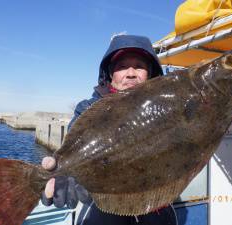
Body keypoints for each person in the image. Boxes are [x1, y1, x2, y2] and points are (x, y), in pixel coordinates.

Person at [41, 34, 178, 225]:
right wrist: (60, 175)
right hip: (101, 212)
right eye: (122, 67)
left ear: (151, 73)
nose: (131, 73)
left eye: (139, 66)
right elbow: (73, 153)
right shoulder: (88, 108)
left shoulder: (169, 108)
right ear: (110, 74)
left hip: (156, 211)